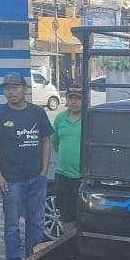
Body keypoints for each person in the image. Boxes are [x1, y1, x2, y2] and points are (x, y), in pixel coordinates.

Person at [0, 72, 54, 260]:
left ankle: (33, 259)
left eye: (15, 88)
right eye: (7, 89)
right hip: (11, 179)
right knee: (13, 224)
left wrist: (43, 171)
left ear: (24, 89)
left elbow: (46, 140)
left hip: (36, 178)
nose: (11, 92)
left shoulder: (37, 112)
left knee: (36, 222)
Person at [51, 85, 84, 228]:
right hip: (63, 176)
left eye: (78, 98)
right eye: (71, 98)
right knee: (66, 217)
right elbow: (55, 144)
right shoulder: (60, 119)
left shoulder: (90, 118)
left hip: (84, 178)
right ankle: (69, 247)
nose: (74, 102)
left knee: (83, 217)